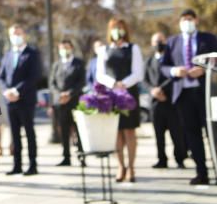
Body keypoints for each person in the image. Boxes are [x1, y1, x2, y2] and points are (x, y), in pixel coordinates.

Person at [161, 9, 217, 186]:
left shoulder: (208, 39)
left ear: (196, 20)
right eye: (183, 20)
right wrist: (175, 71)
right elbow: (164, 67)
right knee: (192, 135)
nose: (186, 22)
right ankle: (201, 172)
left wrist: (204, 69)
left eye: (189, 19)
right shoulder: (172, 42)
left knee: (214, 133)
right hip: (184, 95)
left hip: (206, 93)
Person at [95, 19, 144, 182]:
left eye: (120, 28)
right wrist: (113, 84)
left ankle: (131, 167)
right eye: (114, 28)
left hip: (129, 94)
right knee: (116, 133)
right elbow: (100, 74)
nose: (118, 31)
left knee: (129, 131)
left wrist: (124, 84)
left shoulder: (133, 48)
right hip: (111, 95)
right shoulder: (104, 50)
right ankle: (120, 166)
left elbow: (138, 73)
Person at [0, 24, 44, 176]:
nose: (15, 37)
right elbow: (1, 76)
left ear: (24, 35)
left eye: (18, 33)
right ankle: (17, 165)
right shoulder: (8, 54)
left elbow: (34, 76)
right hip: (10, 101)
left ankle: (33, 164)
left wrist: (16, 90)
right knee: (14, 133)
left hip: (25, 99)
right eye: (12, 34)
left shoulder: (32, 53)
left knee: (29, 132)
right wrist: (7, 90)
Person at [142, 32, 186, 169]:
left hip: (170, 101)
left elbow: (174, 77)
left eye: (161, 41)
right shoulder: (148, 61)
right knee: (158, 134)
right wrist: (153, 91)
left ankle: (180, 158)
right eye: (156, 41)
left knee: (176, 133)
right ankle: (162, 159)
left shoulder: (172, 60)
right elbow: (145, 80)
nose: (159, 44)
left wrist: (162, 90)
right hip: (155, 103)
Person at [49, 39, 86, 166]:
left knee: (79, 130)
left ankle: (82, 156)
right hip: (61, 103)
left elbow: (81, 82)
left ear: (71, 48)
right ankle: (66, 157)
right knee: (63, 131)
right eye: (62, 48)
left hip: (75, 102)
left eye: (67, 47)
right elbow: (52, 83)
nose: (64, 50)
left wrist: (69, 94)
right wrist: (59, 95)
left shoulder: (79, 63)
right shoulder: (57, 65)